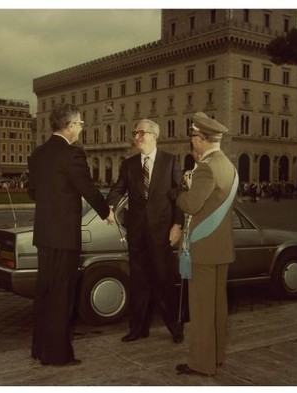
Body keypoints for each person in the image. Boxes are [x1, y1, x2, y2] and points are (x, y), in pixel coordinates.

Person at [27, 103, 115, 367]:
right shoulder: (73, 154)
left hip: (44, 235)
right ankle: (57, 355)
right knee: (62, 296)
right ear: (68, 125)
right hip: (64, 236)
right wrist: (105, 212)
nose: (81, 128)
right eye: (79, 123)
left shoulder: (38, 154)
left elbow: (32, 193)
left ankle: (39, 347)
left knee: (44, 292)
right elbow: (87, 188)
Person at [169, 112, 238, 376]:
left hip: (203, 249)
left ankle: (200, 362)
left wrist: (177, 194)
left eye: (193, 136)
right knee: (218, 308)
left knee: (200, 310)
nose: (191, 141)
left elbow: (192, 204)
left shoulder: (206, 167)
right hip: (221, 247)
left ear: (202, 139)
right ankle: (216, 356)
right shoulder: (228, 165)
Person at [107, 118, 184, 344]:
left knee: (163, 281)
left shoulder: (170, 161)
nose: (136, 137)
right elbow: (118, 189)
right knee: (138, 282)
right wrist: (108, 207)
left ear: (154, 135)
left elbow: (179, 196)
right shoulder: (129, 165)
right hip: (137, 234)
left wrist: (177, 225)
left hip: (162, 234)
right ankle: (138, 329)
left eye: (140, 133)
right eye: (135, 133)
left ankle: (175, 328)